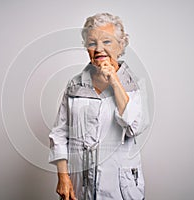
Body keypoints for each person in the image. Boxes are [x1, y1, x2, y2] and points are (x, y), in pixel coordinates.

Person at [49, 13, 147, 200]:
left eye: (107, 42)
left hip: (120, 188)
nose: (99, 49)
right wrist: (63, 177)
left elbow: (133, 128)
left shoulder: (135, 84)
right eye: (92, 43)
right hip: (80, 185)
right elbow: (60, 134)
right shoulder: (75, 84)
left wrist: (115, 82)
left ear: (121, 46)